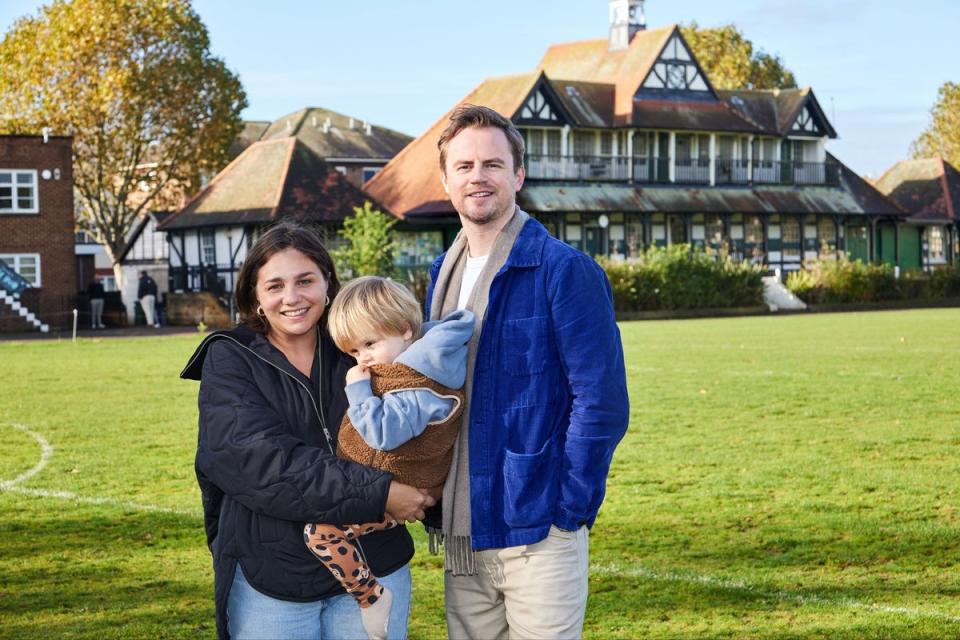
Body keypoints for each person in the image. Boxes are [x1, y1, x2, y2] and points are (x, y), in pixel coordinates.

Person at [428, 104, 630, 639]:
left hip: (538, 527)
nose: (478, 177)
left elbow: (602, 402)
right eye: (465, 165)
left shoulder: (564, 270)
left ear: (518, 175)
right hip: (463, 532)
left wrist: (569, 509)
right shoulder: (440, 274)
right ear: (445, 178)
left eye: (493, 164)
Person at [179, 223, 434, 640]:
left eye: (305, 281)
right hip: (273, 580)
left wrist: (428, 494)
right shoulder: (230, 357)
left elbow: (426, 424)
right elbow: (263, 462)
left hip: (375, 566)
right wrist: (381, 493)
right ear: (255, 294)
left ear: (328, 284)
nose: (292, 297)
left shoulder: (359, 347)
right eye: (275, 285)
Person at [303, 275, 472, 640]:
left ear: (406, 329)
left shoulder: (416, 383)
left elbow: (384, 433)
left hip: (405, 490)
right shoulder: (416, 364)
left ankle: (371, 597)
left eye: (370, 343)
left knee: (320, 535)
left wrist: (358, 389)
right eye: (354, 351)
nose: (363, 358)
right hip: (391, 485)